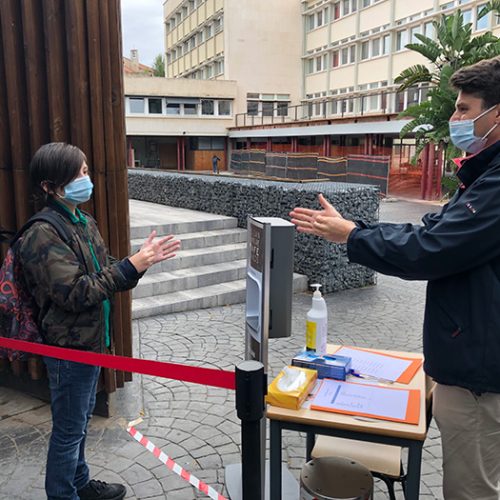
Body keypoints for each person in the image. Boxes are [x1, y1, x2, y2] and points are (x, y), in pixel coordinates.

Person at [290, 55, 500, 500]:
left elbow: (433, 250)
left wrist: (351, 236)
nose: (455, 120)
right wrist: (358, 230)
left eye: (464, 109)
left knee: (471, 491)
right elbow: (434, 230)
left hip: (480, 378)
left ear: (496, 114)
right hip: (469, 364)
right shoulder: (483, 175)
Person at [19, 142, 181, 500]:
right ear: (50, 186)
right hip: (68, 347)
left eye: (86, 170)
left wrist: (138, 262)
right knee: (69, 430)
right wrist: (129, 267)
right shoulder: (41, 233)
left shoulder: (82, 220)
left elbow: (104, 269)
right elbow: (74, 292)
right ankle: (63, 493)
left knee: (78, 423)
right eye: (79, 173)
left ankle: (79, 483)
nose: (86, 178)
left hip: (91, 340)